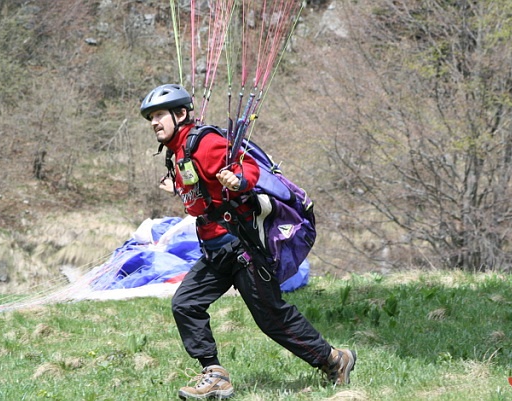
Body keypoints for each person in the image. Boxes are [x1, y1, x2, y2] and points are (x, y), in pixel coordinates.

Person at [140, 84, 356, 399]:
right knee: (186, 304)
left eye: (159, 115)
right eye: (151, 117)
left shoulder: (204, 142)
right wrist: (180, 188)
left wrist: (239, 180)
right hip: (217, 250)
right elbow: (202, 197)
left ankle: (335, 359)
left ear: (181, 113)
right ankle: (214, 374)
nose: (154, 122)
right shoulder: (177, 152)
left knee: (271, 317)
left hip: (243, 247)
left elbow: (248, 167)